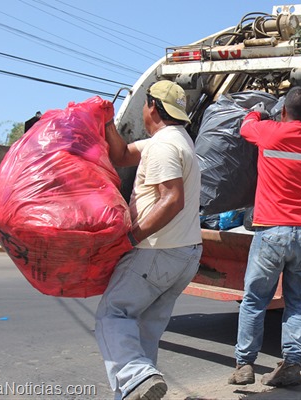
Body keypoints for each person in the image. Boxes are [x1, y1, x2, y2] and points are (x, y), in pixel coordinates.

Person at [95, 80, 202, 400]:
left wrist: (130, 237)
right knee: (144, 332)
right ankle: (137, 388)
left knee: (111, 315)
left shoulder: (165, 147)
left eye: (144, 104)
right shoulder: (176, 139)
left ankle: (134, 376)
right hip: (184, 252)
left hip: (158, 251)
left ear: (152, 106)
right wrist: (108, 123)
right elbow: (122, 154)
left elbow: (172, 199)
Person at [228, 86, 301, 387]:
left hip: (271, 231)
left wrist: (259, 109)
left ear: (283, 111)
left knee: (255, 300)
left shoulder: (268, 132)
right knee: (298, 302)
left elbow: (246, 125)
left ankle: (245, 365)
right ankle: (292, 365)